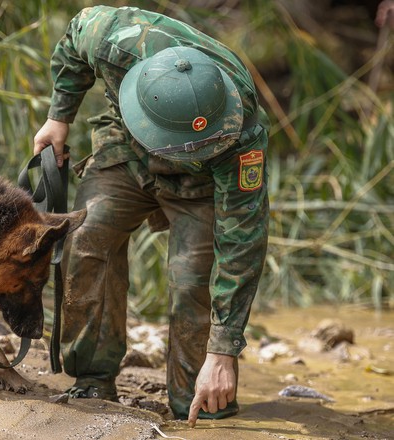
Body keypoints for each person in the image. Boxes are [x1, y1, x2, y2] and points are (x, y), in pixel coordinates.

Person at [33, 5, 269, 427]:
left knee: (193, 279)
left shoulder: (242, 133)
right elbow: (72, 40)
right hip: (126, 150)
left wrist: (223, 353)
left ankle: (199, 401)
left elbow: (241, 245)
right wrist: (58, 117)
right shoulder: (112, 37)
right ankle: (92, 379)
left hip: (201, 186)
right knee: (85, 239)